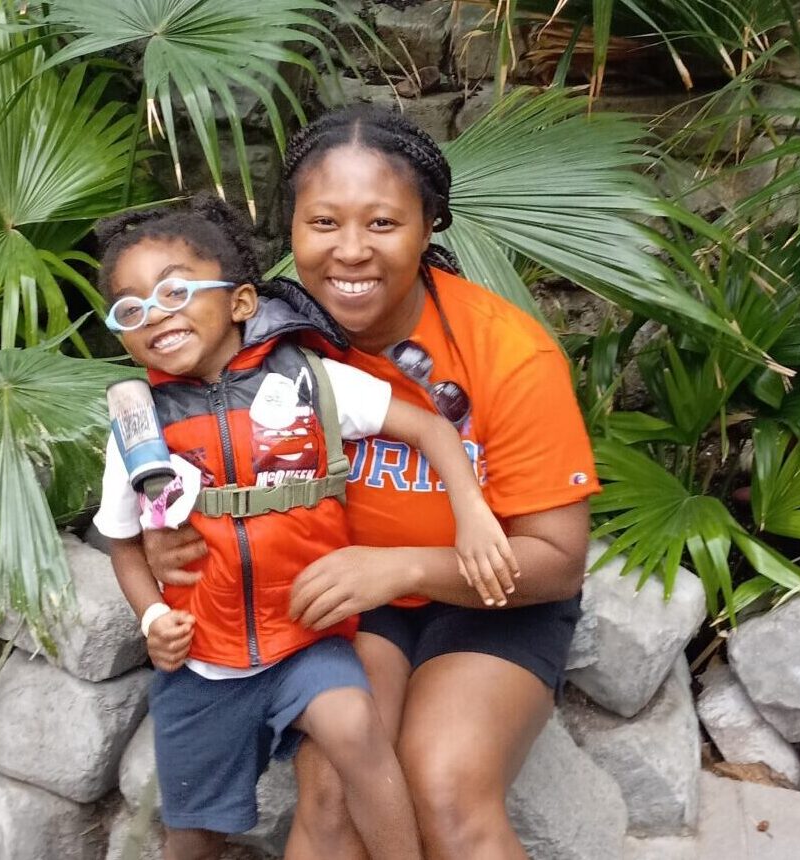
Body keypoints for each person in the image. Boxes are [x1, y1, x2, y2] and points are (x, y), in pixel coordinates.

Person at [140, 106, 600, 860]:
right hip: (347, 598)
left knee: (443, 782)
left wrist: (406, 566)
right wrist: (168, 539)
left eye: (383, 224)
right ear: (291, 228)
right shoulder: (250, 337)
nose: (349, 252)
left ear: (428, 228)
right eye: (324, 223)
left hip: (491, 598)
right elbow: (179, 460)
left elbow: (557, 560)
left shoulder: (509, 353)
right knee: (332, 793)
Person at [90, 196, 521, 860]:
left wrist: (471, 511)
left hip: (307, 634)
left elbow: (432, 427)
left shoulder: (311, 383)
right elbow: (123, 542)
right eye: (132, 308)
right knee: (192, 834)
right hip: (203, 660)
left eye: (175, 291)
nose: (156, 315)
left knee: (356, 732)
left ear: (239, 303)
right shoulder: (138, 426)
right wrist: (152, 620)